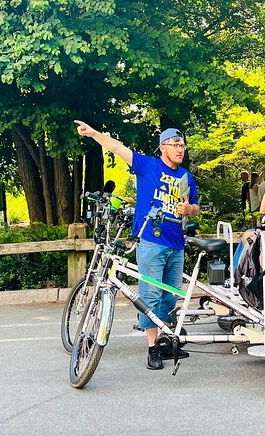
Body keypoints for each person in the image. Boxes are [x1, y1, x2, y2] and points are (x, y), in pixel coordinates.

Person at [74, 120, 199, 370]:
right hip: (151, 242)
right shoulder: (147, 166)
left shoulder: (186, 176)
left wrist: (189, 209)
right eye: (174, 144)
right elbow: (117, 148)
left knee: (170, 296)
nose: (179, 149)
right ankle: (152, 348)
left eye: (182, 145)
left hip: (176, 243)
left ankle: (164, 341)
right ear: (162, 148)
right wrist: (95, 133)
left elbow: (194, 208)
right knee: (150, 295)